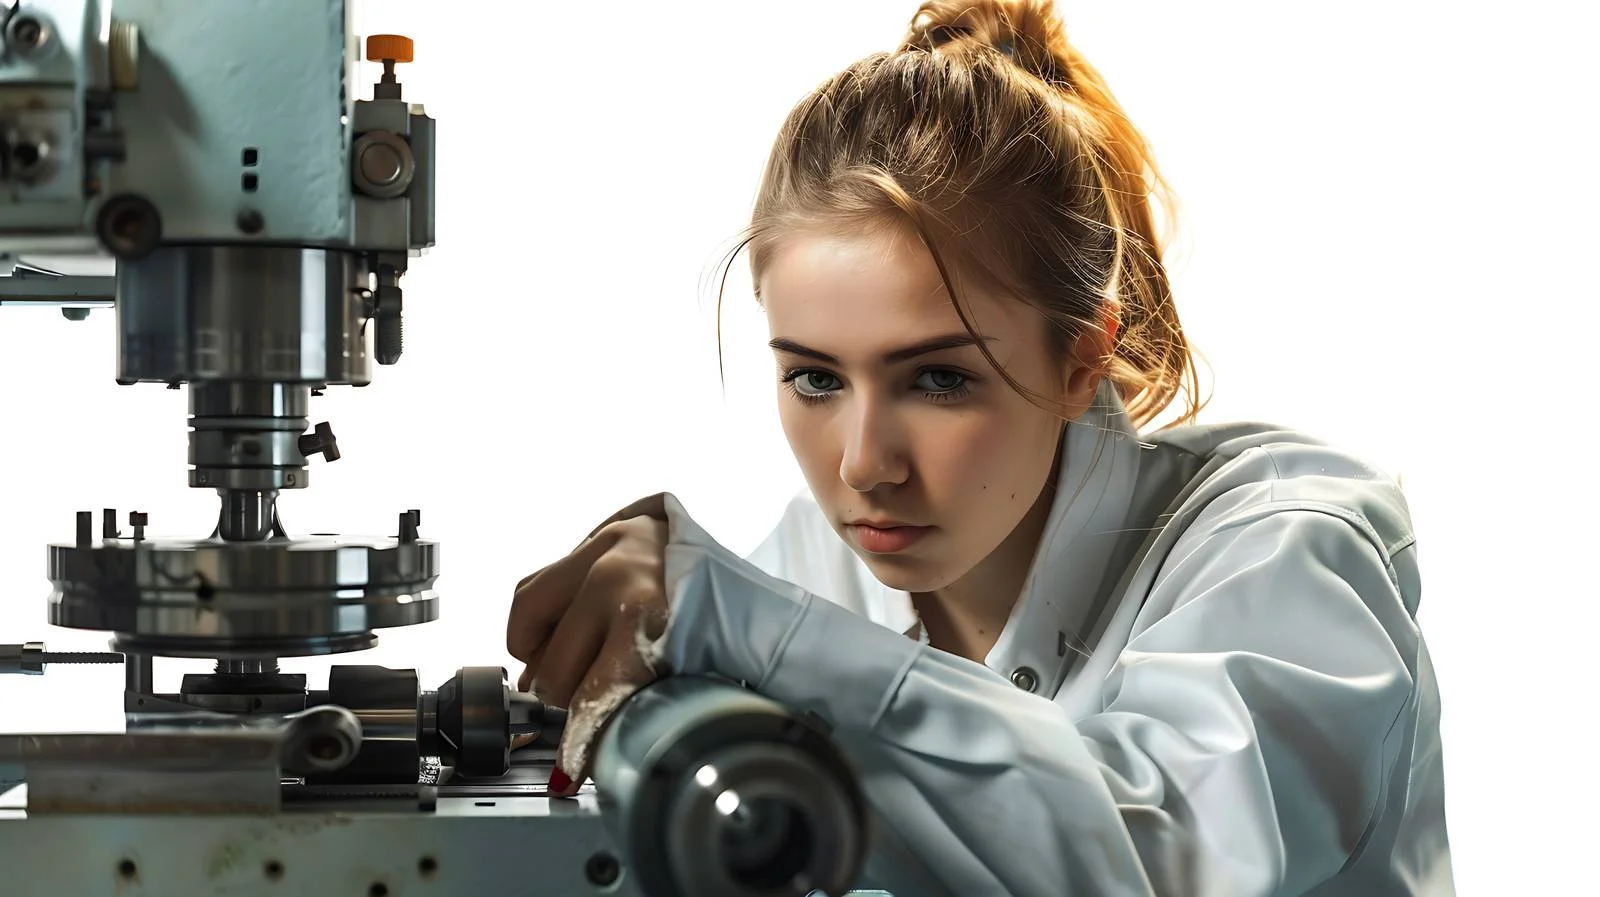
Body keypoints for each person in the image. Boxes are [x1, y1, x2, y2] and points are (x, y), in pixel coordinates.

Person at [505, 0, 1454, 893]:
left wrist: (756, 630)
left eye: (938, 379)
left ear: (1084, 359)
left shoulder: (1290, 548)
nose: (863, 464)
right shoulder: (823, 559)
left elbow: (1152, 855)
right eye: (816, 379)